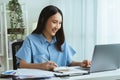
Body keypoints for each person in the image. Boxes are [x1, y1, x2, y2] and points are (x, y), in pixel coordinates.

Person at [16, 5, 90, 71]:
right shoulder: (30, 40)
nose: (57, 27)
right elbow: (22, 65)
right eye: (54, 22)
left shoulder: (61, 41)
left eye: (60, 23)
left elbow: (69, 62)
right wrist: (41, 66)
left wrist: (81, 64)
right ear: (43, 20)